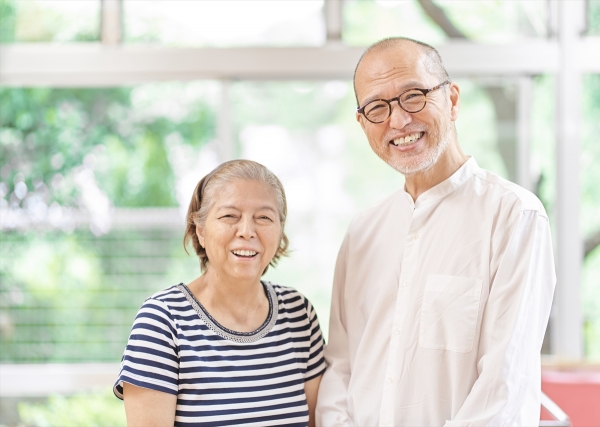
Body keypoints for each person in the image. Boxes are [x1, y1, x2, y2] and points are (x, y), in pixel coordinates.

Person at [316, 37, 556, 426]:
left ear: (453, 100)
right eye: (378, 107)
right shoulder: (363, 231)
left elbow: (504, 387)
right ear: (363, 124)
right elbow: (342, 368)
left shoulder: (514, 215)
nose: (398, 121)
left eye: (413, 96)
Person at [114, 160, 326, 427]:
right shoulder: (162, 321)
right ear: (200, 230)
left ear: (280, 229)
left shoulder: (299, 314)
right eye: (229, 216)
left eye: (264, 217)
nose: (247, 231)